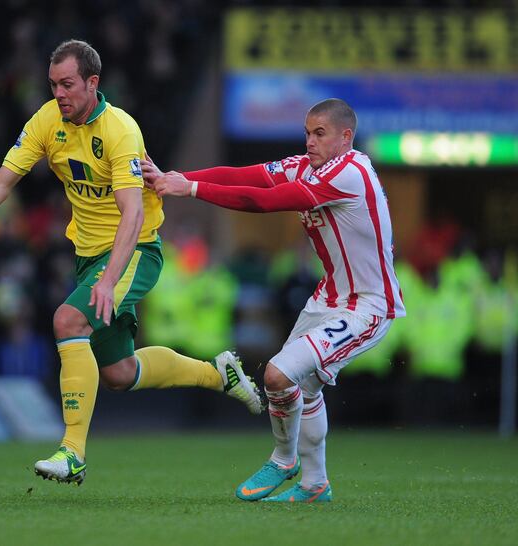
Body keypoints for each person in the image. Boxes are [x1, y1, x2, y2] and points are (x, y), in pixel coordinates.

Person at [0, 40, 262, 485]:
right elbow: (3, 181)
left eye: (67, 84)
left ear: (93, 83)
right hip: (89, 258)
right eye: (52, 85)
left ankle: (72, 452)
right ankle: (216, 373)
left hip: (135, 252)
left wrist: (108, 281)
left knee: (68, 321)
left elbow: (135, 213)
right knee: (120, 374)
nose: (59, 94)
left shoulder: (122, 131)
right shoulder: (47, 121)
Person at [142, 98, 405, 502]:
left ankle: (285, 460)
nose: (310, 141)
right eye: (307, 132)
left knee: (278, 376)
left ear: (345, 136)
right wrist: (175, 177)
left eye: (320, 133)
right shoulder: (307, 165)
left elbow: (265, 201)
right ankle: (315, 485)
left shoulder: (351, 172)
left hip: (367, 305)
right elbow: (245, 176)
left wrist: (190, 189)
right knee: (305, 388)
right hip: (328, 297)